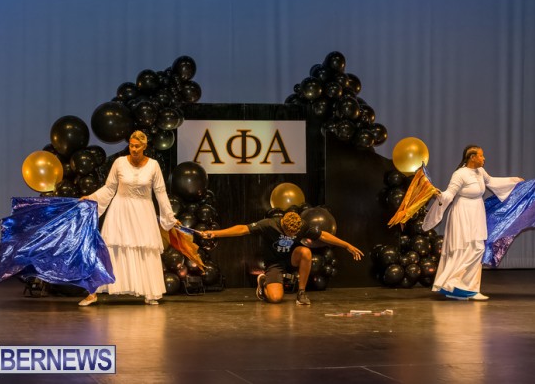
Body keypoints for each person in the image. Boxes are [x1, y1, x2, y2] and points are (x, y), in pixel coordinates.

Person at [78, 131, 179, 306]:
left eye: (137, 146)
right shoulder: (119, 163)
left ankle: (150, 292)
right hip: (120, 210)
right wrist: (92, 198)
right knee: (111, 250)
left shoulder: (153, 165)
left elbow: (161, 192)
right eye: (131, 145)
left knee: (145, 249)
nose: (133, 149)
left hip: (143, 212)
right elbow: (109, 188)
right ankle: (93, 293)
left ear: (144, 147)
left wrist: (169, 217)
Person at [422, 145, 523, 301]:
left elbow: (492, 182)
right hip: (463, 213)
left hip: (476, 211)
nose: (484, 158)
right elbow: (450, 194)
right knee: (467, 248)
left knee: (477, 248)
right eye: (481, 156)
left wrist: (514, 182)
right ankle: (454, 284)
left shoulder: (480, 172)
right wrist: (439, 195)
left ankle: (468, 288)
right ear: (472, 157)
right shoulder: (460, 174)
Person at [201, 211, 363, 305]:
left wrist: (346, 245)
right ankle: (264, 282)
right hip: (275, 263)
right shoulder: (269, 224)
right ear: (282, 226)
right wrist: (215, 233)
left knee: (306, 252)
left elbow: (323, 235)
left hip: (292, 257)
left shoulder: (302, 225)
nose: (293, 235)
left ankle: (301, 293)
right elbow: (242, 229)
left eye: (295, 233)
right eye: (289, 233)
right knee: (276, 299)